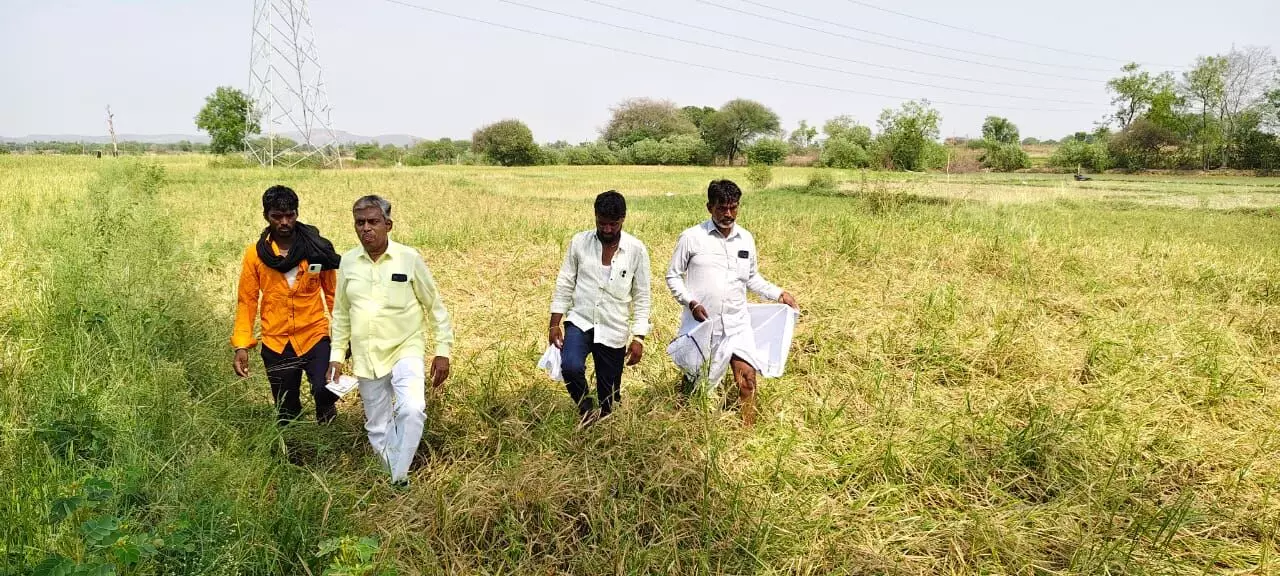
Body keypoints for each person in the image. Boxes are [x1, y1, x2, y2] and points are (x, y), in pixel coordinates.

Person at [327, 195, 453, 486]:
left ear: (388, 225)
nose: (366, 229)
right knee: (377, 426)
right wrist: (336, 356)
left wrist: (443, 350)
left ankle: (397, 477)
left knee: (411, 409)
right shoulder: (347, 261)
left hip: (405, 347)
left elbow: (435, 307)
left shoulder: (409, 258)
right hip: (365, 353)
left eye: (373, 222)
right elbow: (341, 313)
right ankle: (399, 479)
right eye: (360, 223)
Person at [665, 179, 799, 426]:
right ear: (709, 207)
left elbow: (751, 278)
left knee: (747, 379)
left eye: (733, 207)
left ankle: (747, 431)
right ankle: (684, 423)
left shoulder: (745, 239)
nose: (728, 214)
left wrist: (779, 293)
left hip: (737, 324)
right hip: (703, 326)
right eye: (721, 208)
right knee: (696, 382)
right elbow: (673, 275)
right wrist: (690, 302)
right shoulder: (692, 238)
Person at [232, 185, 342, 425]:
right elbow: (247, 301)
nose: (284, 221)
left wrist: (347, 337)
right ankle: (295, 456)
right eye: (277, 216)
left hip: (314, 335)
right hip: (277, 342)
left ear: (297, 213)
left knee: (326, 391)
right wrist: (241, 345)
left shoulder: (316, 249)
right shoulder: (255, 255)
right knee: (287, 410)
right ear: (266, 216)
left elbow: (334, 295)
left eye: (290, 215)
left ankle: (329, 429)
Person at [549, 190, 652, 426]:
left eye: (613, 224)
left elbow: (642, 296)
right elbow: (565, 282)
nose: (607, 229)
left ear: (623, 219)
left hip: (613, 327)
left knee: (610, 394)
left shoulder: (636, 250)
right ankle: (585, 408)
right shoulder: (579, 242)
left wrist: (639, 337)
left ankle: (605, 419)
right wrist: (555, 323)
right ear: (595, 216)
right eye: (601, 223)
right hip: (581, 320)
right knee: (571, 366)